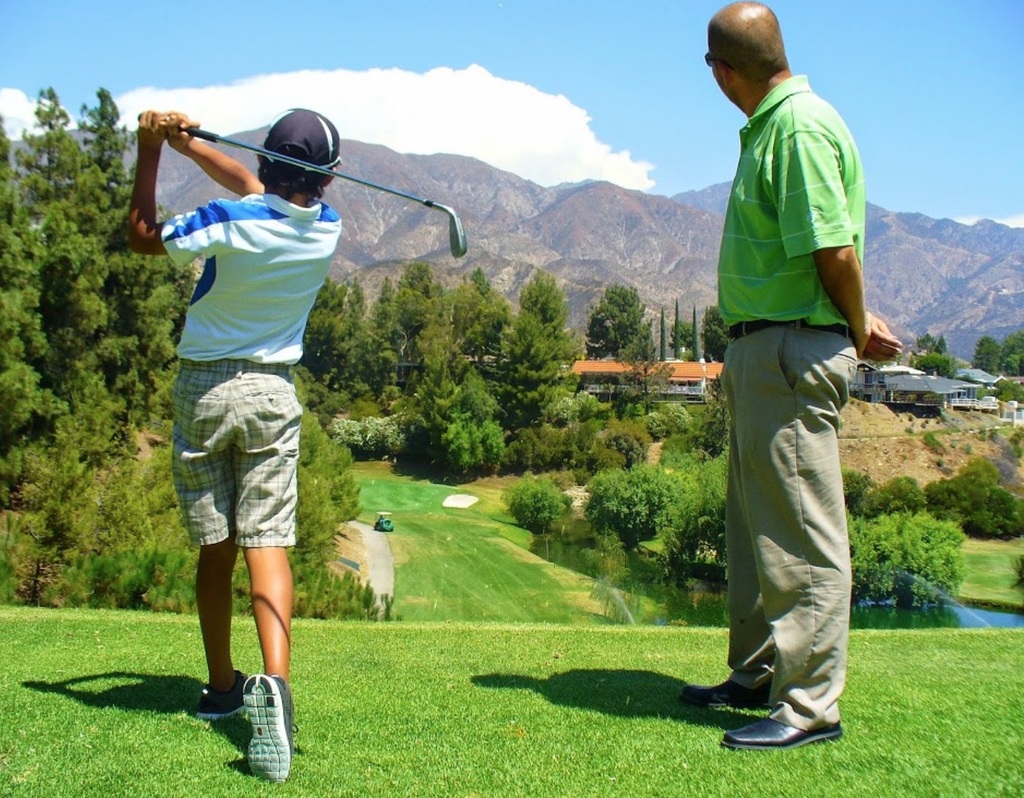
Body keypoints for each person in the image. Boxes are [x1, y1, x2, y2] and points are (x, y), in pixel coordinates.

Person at [680, 3, 904, 750]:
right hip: (764, 348)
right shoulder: (774, 126)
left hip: (790, 350)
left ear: (721, 71)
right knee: (755, 527)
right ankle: (755, 673)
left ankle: (809, 707)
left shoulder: (798, 128)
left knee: (802, 534)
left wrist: (854, 321)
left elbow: (833, 249)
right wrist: (855, 317)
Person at [128, 108, 343, 781]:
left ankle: (223, 688)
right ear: (329, 176)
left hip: (206, 390)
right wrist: (190, 144)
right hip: (273, 393)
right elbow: (259, 187)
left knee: (216, 546)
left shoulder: (229, 219)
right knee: (267, 543)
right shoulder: (327, 227)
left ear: (267, 162)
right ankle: (275, 684)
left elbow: (143, 237)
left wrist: (150, 150)